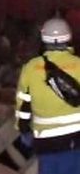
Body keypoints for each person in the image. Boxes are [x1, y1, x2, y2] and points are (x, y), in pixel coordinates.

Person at [16, 16, 80, 173]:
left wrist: (24, 131)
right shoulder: (78, 64)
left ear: (44, 38)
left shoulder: (30, 68)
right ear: (69, 37)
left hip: (45, 142)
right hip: (76, 140)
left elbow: (23, 107)